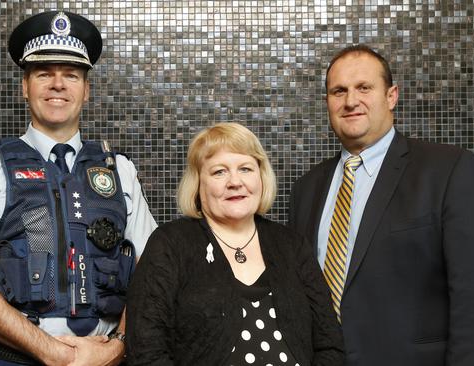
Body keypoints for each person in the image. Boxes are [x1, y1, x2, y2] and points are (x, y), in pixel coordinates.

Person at [0, 11, 157, 365]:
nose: (58, 84)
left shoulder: (120, 172)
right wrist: (53, 353)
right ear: (25, 86)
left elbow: (151, 276)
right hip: (17, 358)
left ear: (86, 90)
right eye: (43, 74)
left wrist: (118, 346)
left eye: (71, 75)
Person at [288, 44, 474, 366]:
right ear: (327, 103)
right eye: (339, 91)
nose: (350, 101)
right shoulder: (307, 188)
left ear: (391, 96)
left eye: (364, 88)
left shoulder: (448, 170)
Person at [125, 122, 344, 366]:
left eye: (246, 169)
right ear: (198, 183)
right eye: (219, 172)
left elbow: (330, 345)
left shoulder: (293, 246)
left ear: (261, 177)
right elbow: (145, 350)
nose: (235, 182)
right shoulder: (169, 245)